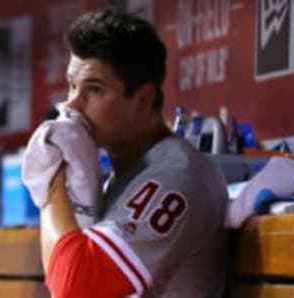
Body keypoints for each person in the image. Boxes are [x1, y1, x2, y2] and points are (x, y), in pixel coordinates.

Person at [40, 9, 228, 298]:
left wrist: (50, 179)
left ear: (143, 99)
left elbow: (74, 287)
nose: (72, 107)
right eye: (72, 86)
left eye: (94, 90)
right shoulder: (126, 171)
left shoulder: (177, 176)